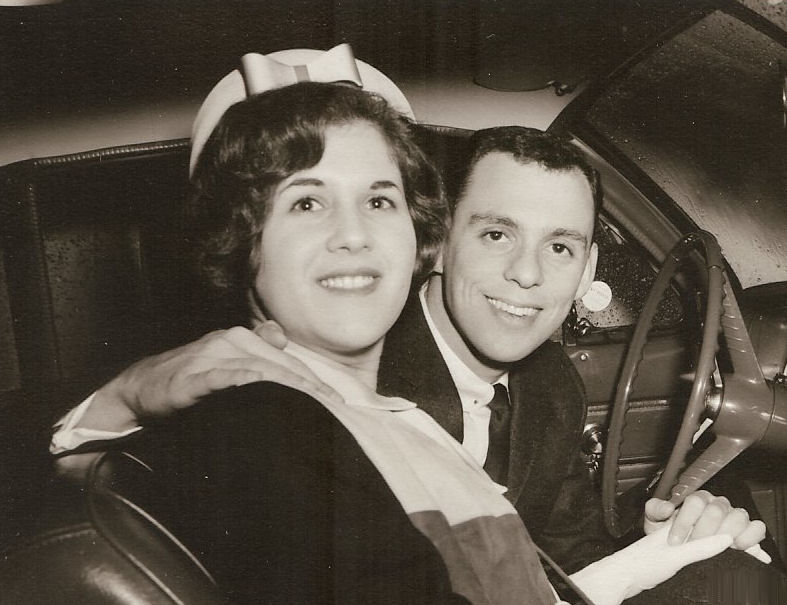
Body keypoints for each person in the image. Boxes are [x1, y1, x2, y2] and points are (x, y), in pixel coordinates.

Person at [49, 61, 741, 604]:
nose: (353, 234)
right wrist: (124, 394)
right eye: (306, 203)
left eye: (379, 200)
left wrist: (663, 546)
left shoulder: (405, 411)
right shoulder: (282, 417)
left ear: (416, 229)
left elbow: (544, 565)